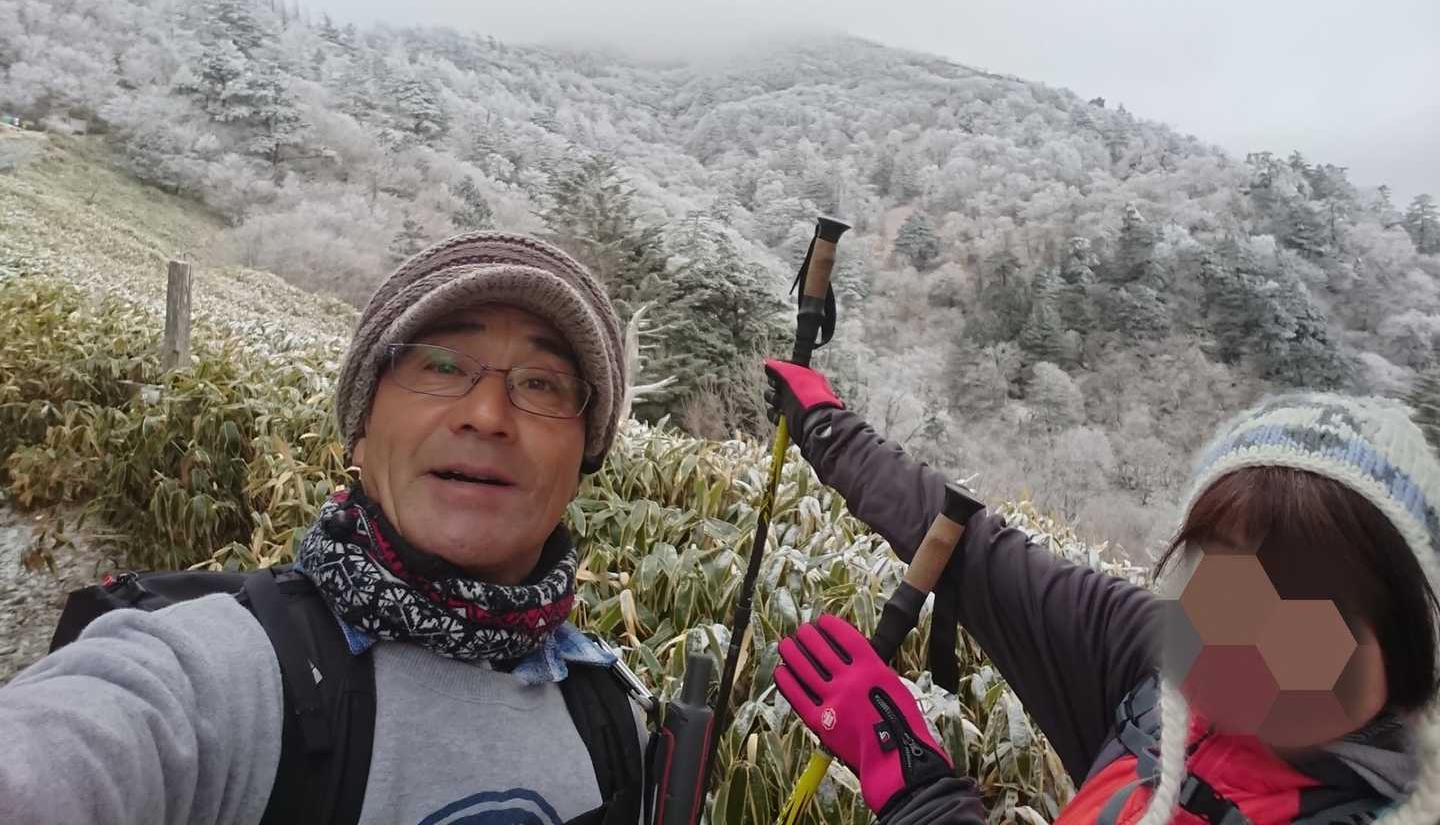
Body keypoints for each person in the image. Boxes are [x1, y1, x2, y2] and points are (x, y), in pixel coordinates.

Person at [0, 232, 647, 825]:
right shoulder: (217, 678)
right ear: (360, 429)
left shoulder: (619, 724)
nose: (487, 415)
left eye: (542, 384)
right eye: (441, 366)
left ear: (581, 465)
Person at [764, 360, 1440, 825]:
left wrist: (921, 793)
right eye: (1230, 581)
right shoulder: (1156, 661)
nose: (1251, 649)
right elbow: (970, 548)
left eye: (1315, 619)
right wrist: (826, 428)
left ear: (1409, 645)